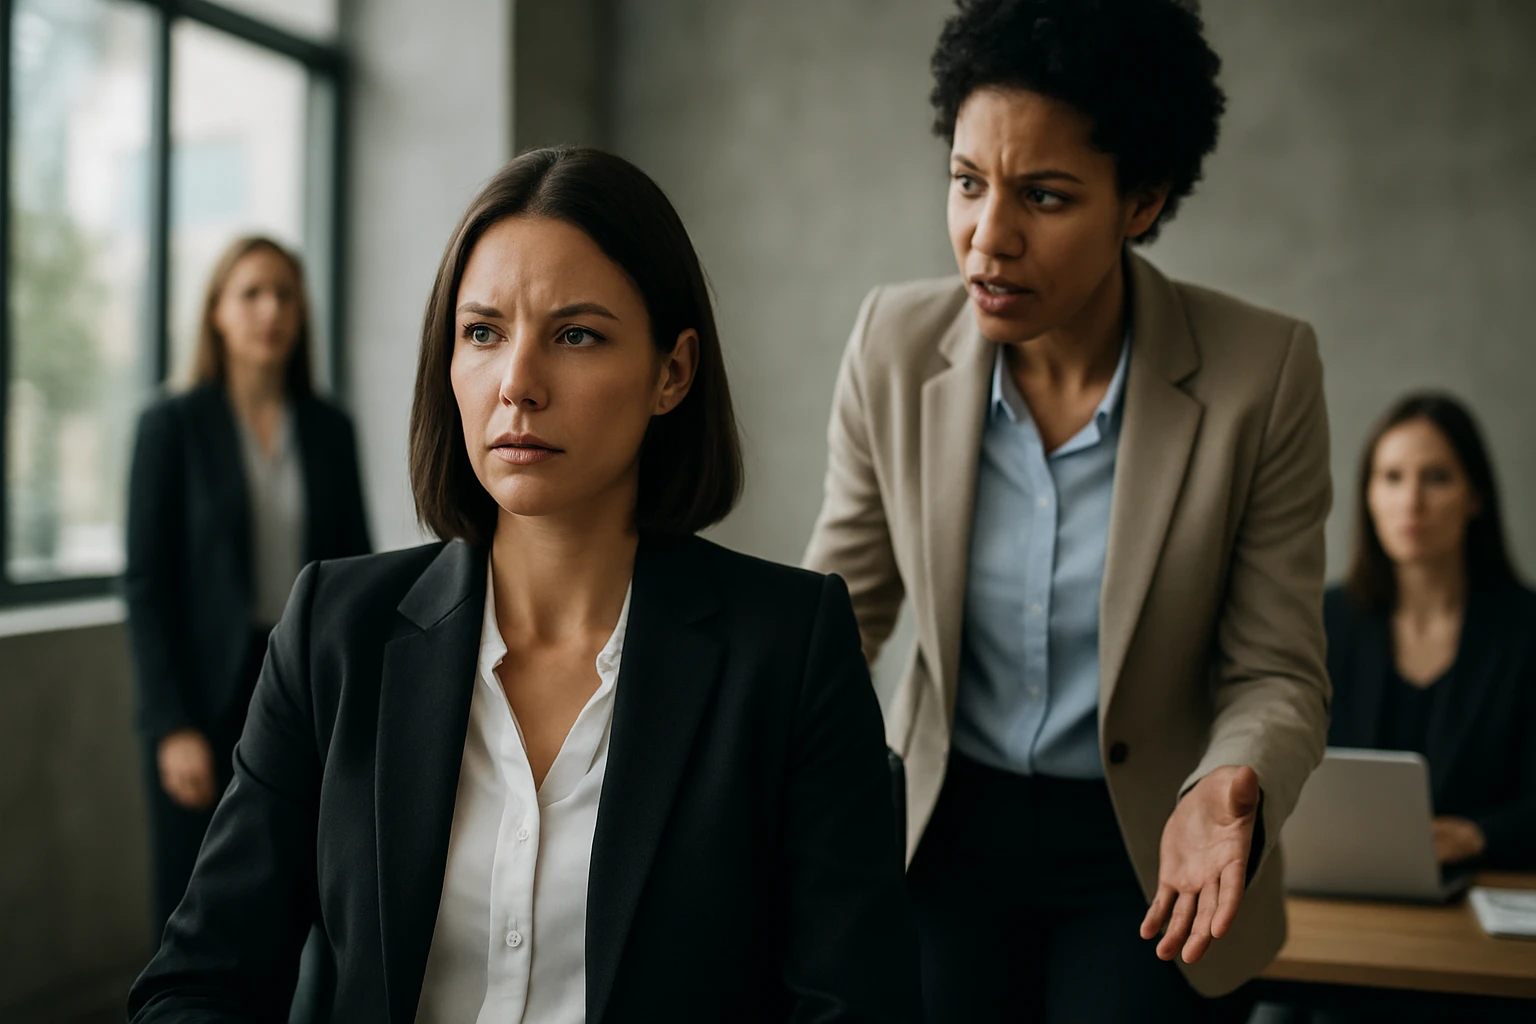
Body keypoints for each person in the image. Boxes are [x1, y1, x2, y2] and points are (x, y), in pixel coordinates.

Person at [127, 147, 919, 1024]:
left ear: (673, 373)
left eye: (576, 335)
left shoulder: (790, 649)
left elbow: (853, 1004)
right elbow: (197, 981)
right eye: (483, 332)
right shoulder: (333, 634)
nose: (518, 385)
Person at [803, 1, 1332, 1019]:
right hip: (941, 831)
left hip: (1148, 849)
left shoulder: (1261, 374)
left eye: (1042, 197)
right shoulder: (892, 343)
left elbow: (1276, 667)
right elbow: (839, 612)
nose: (987, 239)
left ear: (1141, 201)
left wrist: (1232, 784)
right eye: (967, 182)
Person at [125, 235, 371, 941]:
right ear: (217, 313)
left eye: (285, 295)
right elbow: (146, 587)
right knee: (192, 901)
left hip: (299, 684)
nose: (271, 310)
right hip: (201, 699)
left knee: (298, 894)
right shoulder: (170, 426)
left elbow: (353, 572)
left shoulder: (330, 429)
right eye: (251, 293)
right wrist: (171, 726)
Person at [1326, 393, 1536, 871]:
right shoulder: (1322, 621)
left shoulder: (1526, 629)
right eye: (1392, 478)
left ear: (1475, 496)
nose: (1411, 502)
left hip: (1485, 893)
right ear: (1368, 495)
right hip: (1343, 885)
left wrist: (1477, 835)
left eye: (1437, 478)